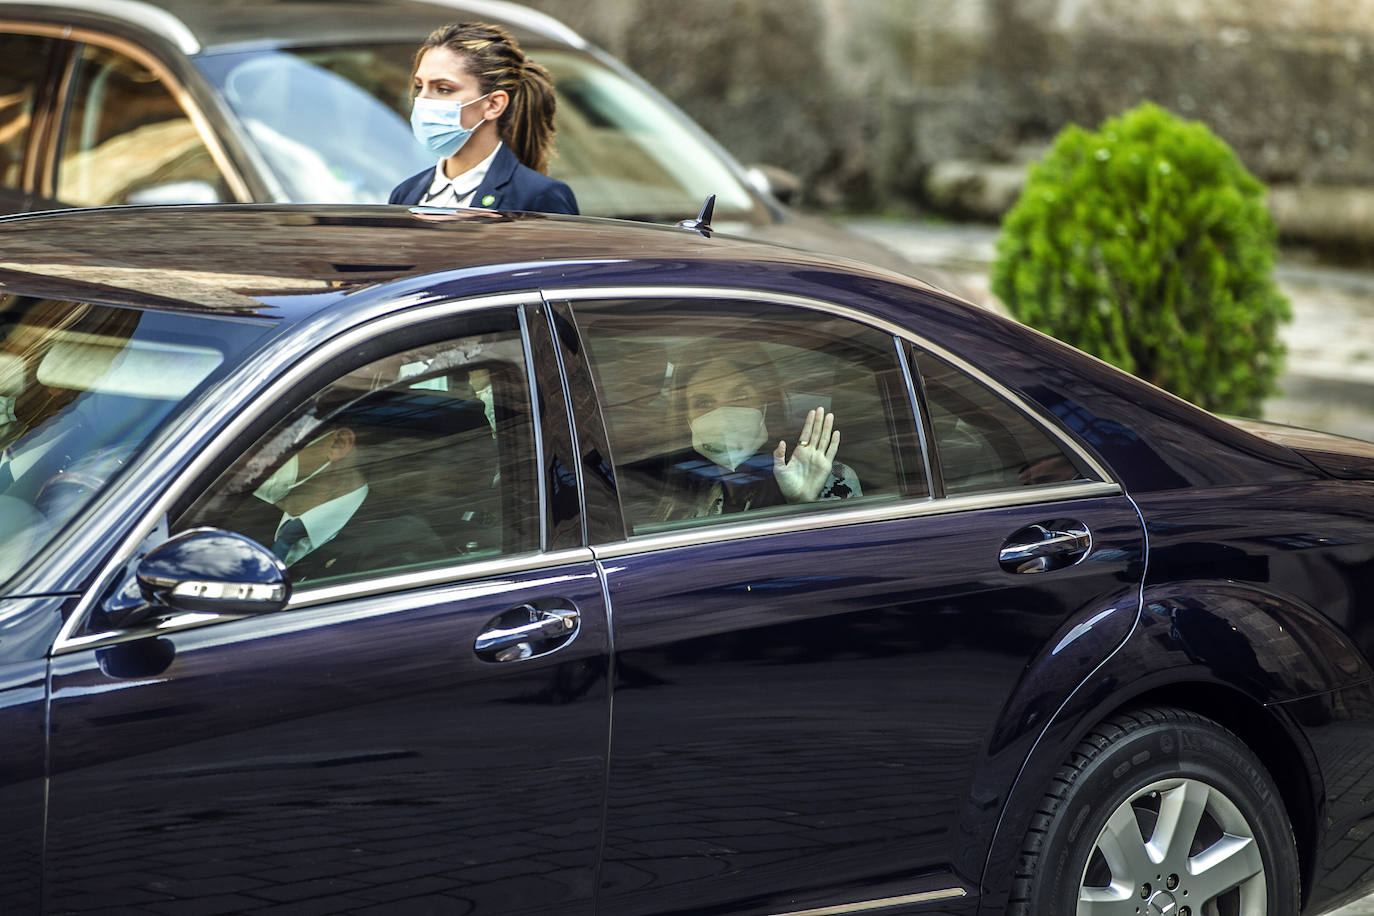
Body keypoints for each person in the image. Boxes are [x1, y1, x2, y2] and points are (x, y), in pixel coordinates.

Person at [649, 342, 861, 523]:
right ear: (688, 421)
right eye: (704, 402)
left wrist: (802, 506)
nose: (723, 415)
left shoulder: (830, 478)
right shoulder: (689, 491)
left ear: (766, 405)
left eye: (740, 397)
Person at [389, 22, 578, 215]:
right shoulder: (405, 194)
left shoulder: (539, 196)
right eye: (420, 86)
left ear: (494, 104)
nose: (422, 100)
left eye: (444, 89)